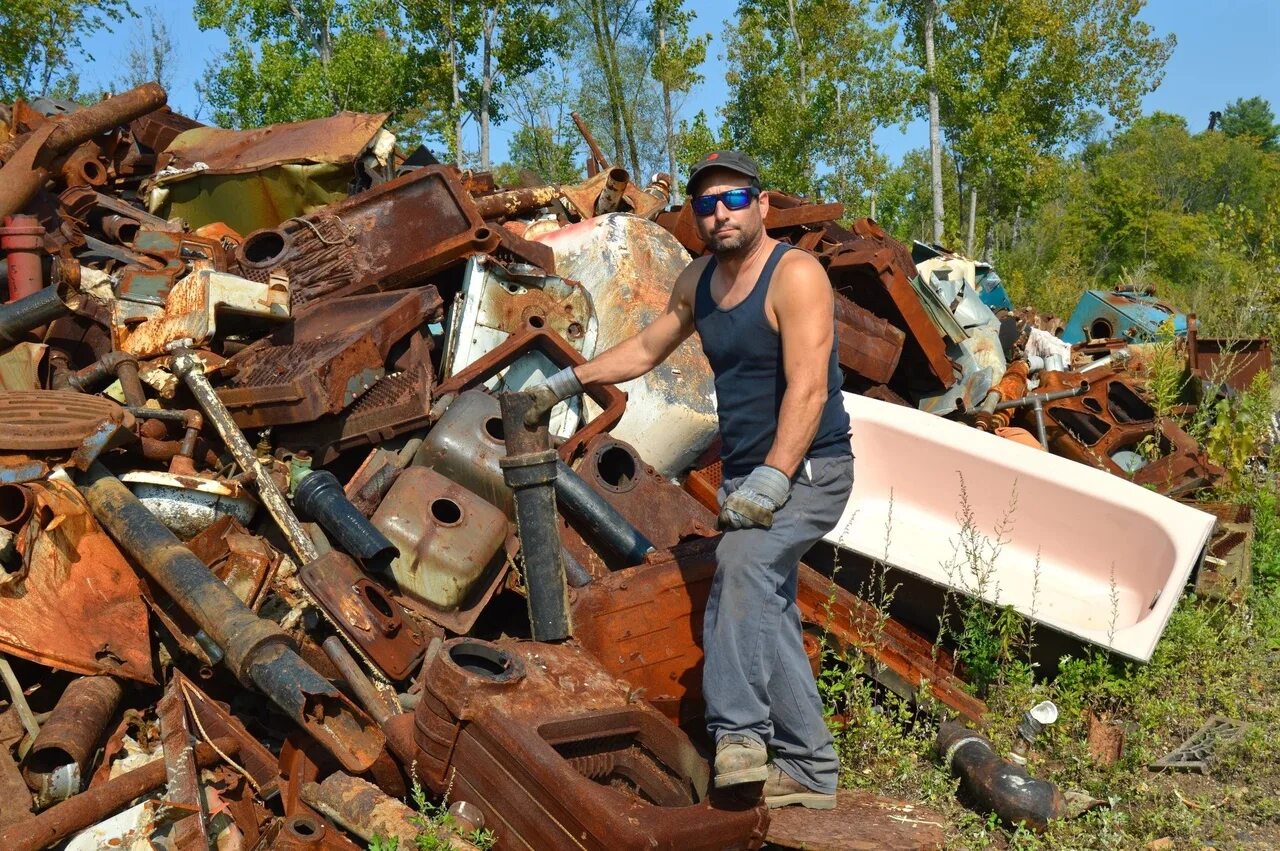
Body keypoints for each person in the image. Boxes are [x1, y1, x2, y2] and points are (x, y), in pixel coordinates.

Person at [524, 150, 853, 809]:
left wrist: (774, 477)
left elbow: (810, 389)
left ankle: (738, 735)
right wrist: (571, 377)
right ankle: (813, 768)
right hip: (745, 478)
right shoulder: (700, 280)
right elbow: (647, 349)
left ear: (762, 205)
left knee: (740, 562)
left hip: (810, 470)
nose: (720, 213)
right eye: (706, 204)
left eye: (734, 200)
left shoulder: (796, 276)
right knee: (771, 606)